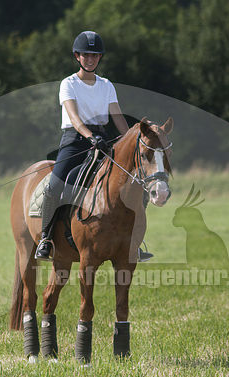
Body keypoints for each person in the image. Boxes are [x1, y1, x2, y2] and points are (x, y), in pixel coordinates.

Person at [35, 30, 153, 263]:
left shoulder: (106, 85)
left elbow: (118, 118)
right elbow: (74, 117)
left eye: (95, 55)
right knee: (54, 185)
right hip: (75, 141)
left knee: (136, 185)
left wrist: (132, 139)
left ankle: (133, 242)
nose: (90, 59)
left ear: (100, 58)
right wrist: (90, 136)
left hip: (103, 140)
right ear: (77, 56)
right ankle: (46, 239)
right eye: (86, 55)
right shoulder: (68, 84)